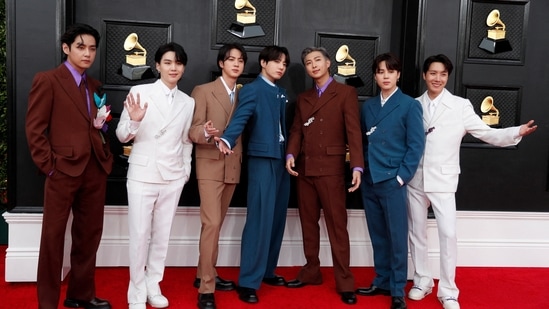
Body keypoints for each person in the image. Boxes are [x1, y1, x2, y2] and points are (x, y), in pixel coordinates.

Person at [406, 54, 537, 309]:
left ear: (447, 77)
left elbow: (487, 133)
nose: (438, 78)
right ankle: (422, 280)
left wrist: (515, 132)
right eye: (433, 73)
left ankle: (448, 290)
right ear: (424, 75)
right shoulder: (412, 105)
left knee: (448, 234)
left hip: (444, 179)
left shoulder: (460, 106)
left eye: (443, 74)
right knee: (416, 234)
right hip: (415, 178)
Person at [25, 23, 113, 309]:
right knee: (52, 238)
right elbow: (35, 130)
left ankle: (80, 294)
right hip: (62, 170)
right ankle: (47, 303)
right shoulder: (48, 80)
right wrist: (50, 167)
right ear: (66, 48)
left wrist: (103, 152)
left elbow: (98, 127)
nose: (87, 53)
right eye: (80, 47)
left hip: (94, 170)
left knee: (89, 235)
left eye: (92, 48)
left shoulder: (94, 85)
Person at [115, 42, 195, 309]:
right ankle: (136, 293)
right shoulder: (139, 91)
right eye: (168, 62)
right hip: (142, 174)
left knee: (162, 236)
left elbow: (186, 141)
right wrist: (135, 120)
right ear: (158, 65)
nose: (174, 68)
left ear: (183, 68)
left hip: (173, 177)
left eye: (179, 63)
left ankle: (153, 284)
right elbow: (121, 134)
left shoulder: (188, 102)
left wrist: (185, 171)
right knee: (139, 236)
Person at [284, 46, 364, 305]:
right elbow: (296, 131)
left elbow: (354, 132)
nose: (313, 65)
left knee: (337, 228)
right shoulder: (304, 97)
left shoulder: (346, 93)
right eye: (308, 62)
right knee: (309, 224)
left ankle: (345, 281)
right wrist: (290, 154)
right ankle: (311, 271)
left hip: (331, 170)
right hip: (305, 169)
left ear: (328, 63)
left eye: (318, 60)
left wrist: (357, 167)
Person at [215, 45, 291, 304]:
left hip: (281, 161)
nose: (281, 67)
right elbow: (240, 118)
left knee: (277, 219)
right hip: (261, 160)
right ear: (263, 63)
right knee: (259, 219)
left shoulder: (280, 92)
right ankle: (248, 281)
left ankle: (267, 271)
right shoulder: (251, 90)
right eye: (276, 62)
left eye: (284, 64)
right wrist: (227, 138)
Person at [355, 52, 425, 309]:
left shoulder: (409, 105)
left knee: (397, 236)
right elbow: (363, 141)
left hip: (393, 180)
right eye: (381, 71)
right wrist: (362, 170)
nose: (385, 76)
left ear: (398, 75)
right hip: (371, 179)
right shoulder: (369, 106)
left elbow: (416, 145)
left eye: (390, 71)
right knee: (378, 234)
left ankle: (397, 289)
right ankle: (382, 281)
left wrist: (401, 177)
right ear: (375, 75)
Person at [189, 43, 248, 309]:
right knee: (212, 224)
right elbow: (192, 130)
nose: (236, 64)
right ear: (221, 63)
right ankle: (206, 288)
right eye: (231, 59)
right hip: (210, 164)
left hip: (233, 165)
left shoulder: (245, 93)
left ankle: (203, 271)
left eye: (240, 60)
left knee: (215, 225)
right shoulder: (203, 91)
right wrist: (206, 132)